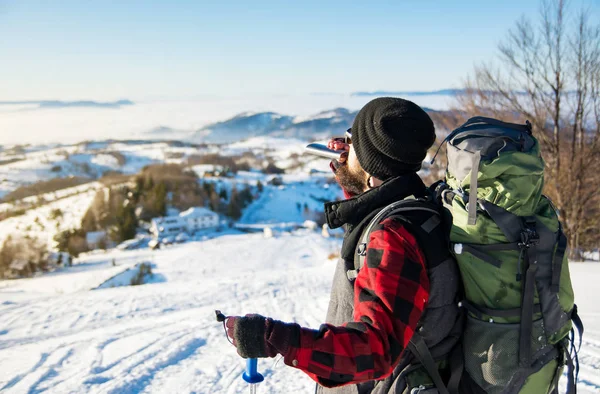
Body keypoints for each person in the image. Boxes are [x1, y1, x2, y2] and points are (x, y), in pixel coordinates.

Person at [224, 97, 461, 393]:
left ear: (371, 166)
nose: (344, 146)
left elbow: (375, 350)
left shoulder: (393, 238)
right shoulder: (413, 204)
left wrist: (275, 337)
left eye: (353, 141)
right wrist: (351, 171)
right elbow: (372, 198)